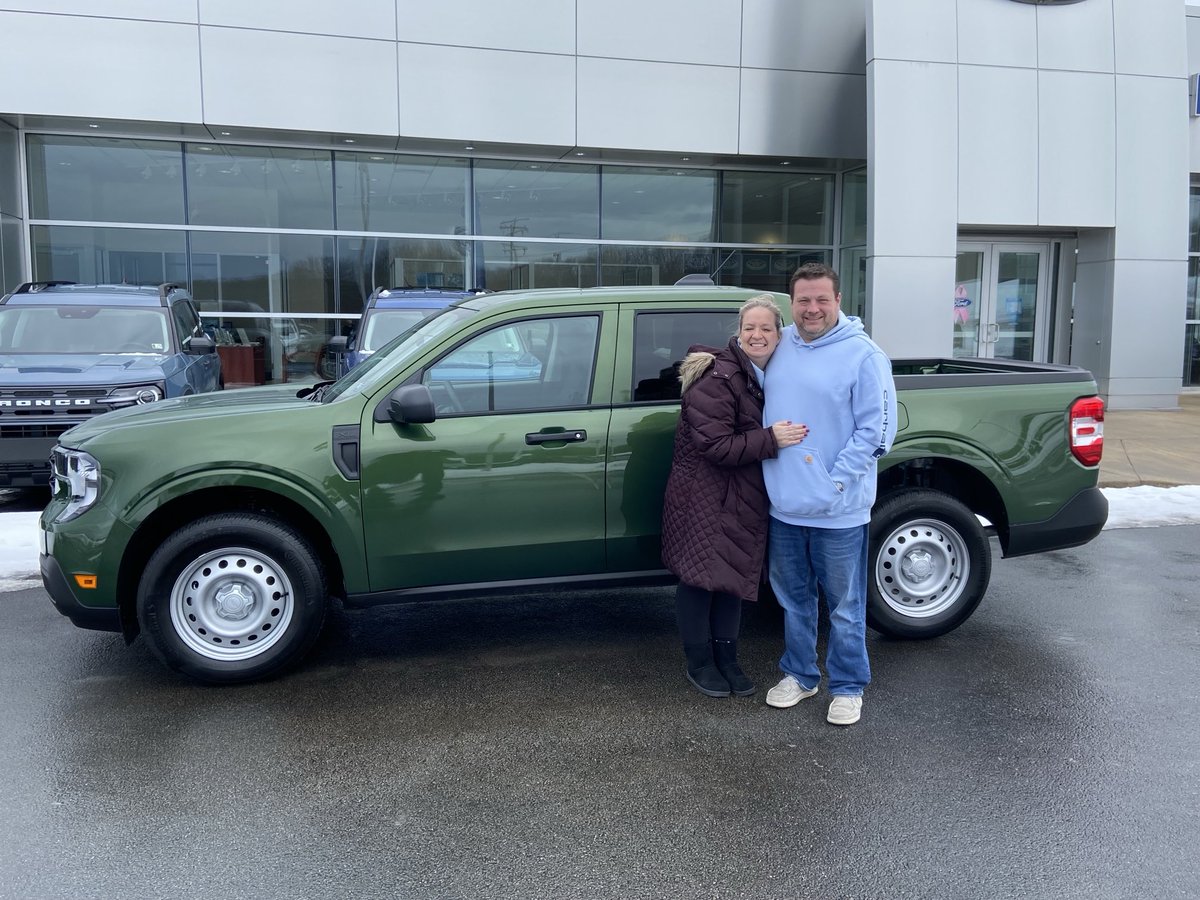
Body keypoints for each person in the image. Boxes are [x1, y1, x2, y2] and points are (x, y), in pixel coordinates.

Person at [762, 262, 897, 725]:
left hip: (839, 510)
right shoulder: (780, 346)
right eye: (803, 300)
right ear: (792, 303)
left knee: (844, 605)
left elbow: (878, 431)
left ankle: (848, 685)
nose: (812, 308)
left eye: (822, 299)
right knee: (793, 599)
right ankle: (800, 675)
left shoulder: (863, 355)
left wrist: (836, 481)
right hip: (784, 505)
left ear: (838, 301)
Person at [661, 295, 809, 698]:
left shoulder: (766, 376)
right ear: (738, 333)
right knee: (699, 581)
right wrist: (771, 439)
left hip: (740, 497)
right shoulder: (718, 377)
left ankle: (727, 659)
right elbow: (717, 445)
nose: (757, 335)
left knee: (730, 578)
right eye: (749, 328)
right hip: (705, 497)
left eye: (765, 328)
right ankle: (700, 662)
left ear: (780, 335)